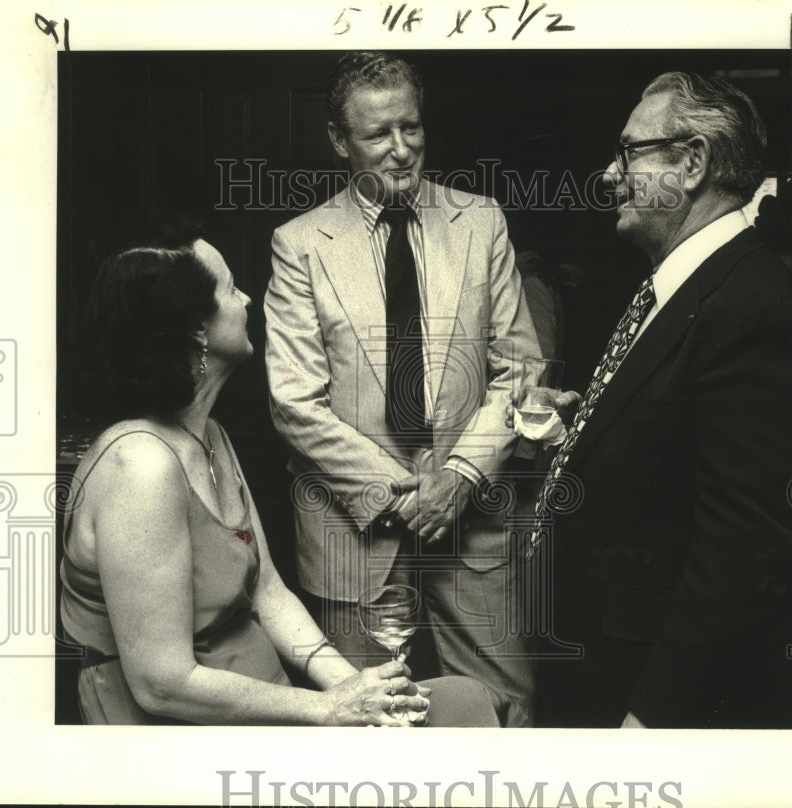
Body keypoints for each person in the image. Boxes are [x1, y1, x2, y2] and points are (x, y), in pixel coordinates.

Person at [59, 226, 499, 726]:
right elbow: (163, 685)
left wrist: (350, 684)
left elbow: (268, 591)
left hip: (266, 699)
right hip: (178, 734)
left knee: (463, 700)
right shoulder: (140, 466)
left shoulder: (211, 435)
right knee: (458, 718)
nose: (247, 298)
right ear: (197, 329)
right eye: (229, 289)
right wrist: (327, 708)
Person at [516, 72, 792, 728]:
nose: (607, 174)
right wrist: (584, 434)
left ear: (693, 162)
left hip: (644, 701)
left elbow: (741, 548)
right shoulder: (683, 284)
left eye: (628, 153)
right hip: (597, 666)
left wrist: (652, 720)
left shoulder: (753, 303)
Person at [264, 52, 542, 726]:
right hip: (352, 531)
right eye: (377, 135)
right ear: (339, 141)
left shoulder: (481, 223)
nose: (400, 152)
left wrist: (459, 476)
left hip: (469, 522)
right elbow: (294, 403)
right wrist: (409, 492)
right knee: (370, 723)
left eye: (411, 129)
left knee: (508, 712)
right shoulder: (299, 244)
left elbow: (520, 370)